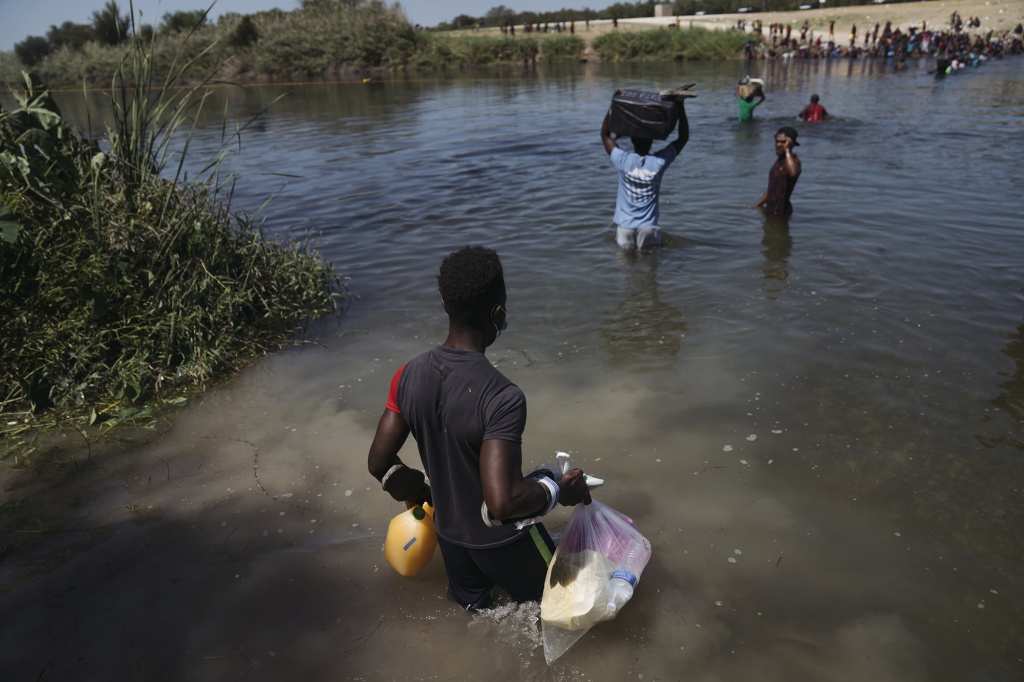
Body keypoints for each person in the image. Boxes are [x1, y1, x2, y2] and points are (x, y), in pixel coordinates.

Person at [367, 246, 592, 612]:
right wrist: (556, 489)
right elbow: (502, 505)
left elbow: (379, 463)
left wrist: (424, 492)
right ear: (498, 312)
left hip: (452, 542)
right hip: (505, 545)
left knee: (478, 619)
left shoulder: (406, 376)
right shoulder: (502, 396)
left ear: (444, 303)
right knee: (563, 611)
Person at [601, 91, 690, 249]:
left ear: (632, 139)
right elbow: (683, 138)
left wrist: (613, 105)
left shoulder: (622, 160)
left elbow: (605, 135)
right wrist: (681, 107)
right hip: (648, 228)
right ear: (652, 141)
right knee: (650, 271)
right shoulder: (658, 163)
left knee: (626, 270)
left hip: (625, 228)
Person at [755, 126, 802, 216]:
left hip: (781, 213)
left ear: (791, 144)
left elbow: (793, 173)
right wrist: (756, 205)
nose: (779, 145)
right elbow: (772, 189)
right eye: (777, 141)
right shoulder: (779, 162)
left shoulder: (794, 161)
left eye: (783, 142)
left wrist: (787, 150)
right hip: (771, 211)